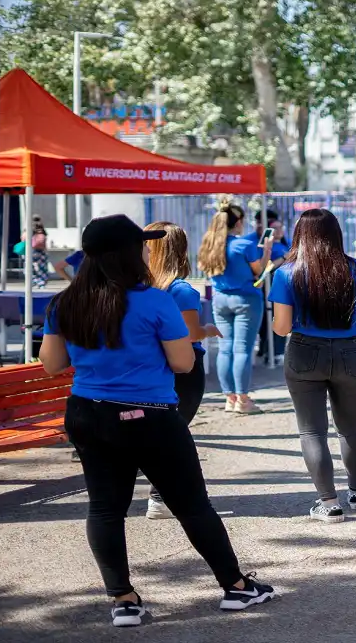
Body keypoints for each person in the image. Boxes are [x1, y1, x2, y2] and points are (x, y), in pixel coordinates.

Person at [39, 214, 274, 628]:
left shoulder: (65, 302)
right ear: (128, 252)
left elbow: (53, 364)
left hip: (89, 413)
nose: (148, 250)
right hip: (150, 415)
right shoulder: (154, 300)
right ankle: (236, 587)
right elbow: (183, 364)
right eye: (142, 245)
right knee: (191, 506)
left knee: (106, 509)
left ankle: (124, 601)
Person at [270, 209, 356, 523]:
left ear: (300, 235)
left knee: (312, 432)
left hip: (305, 351)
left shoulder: (286, 272)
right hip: (352, 352)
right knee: (351, 429)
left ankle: (329, 502)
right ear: (336, 234)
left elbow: (281, 329)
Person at [142, 221, 223, 520]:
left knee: (160, 434)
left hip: (151, 366)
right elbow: (190, 333)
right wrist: (208, 329)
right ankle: (161, 498)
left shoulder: (139, 288)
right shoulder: (182, 291)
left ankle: (160, 496)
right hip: (184, 368)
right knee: (174, 435)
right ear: (180, 250)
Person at [197, 198, 275, 414]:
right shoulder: (244, 244)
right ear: (238, 222)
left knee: (225, 348)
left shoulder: (209, 245)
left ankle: (229, 398)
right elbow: (258, 270)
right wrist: (267, 250)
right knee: (242, 349)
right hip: (246, 299)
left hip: (220, 299)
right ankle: (243, 398)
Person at [246, 209, 288, 367]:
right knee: (269, 320)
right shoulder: (265, 246)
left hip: (285, 285)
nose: (279, 231)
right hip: (269, 284)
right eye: (274, 228)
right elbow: (265, 267)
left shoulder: (286, 243)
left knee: (280, 318)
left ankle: (275, 351)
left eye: (280, 227)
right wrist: (284, 258)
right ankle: (270, 351)